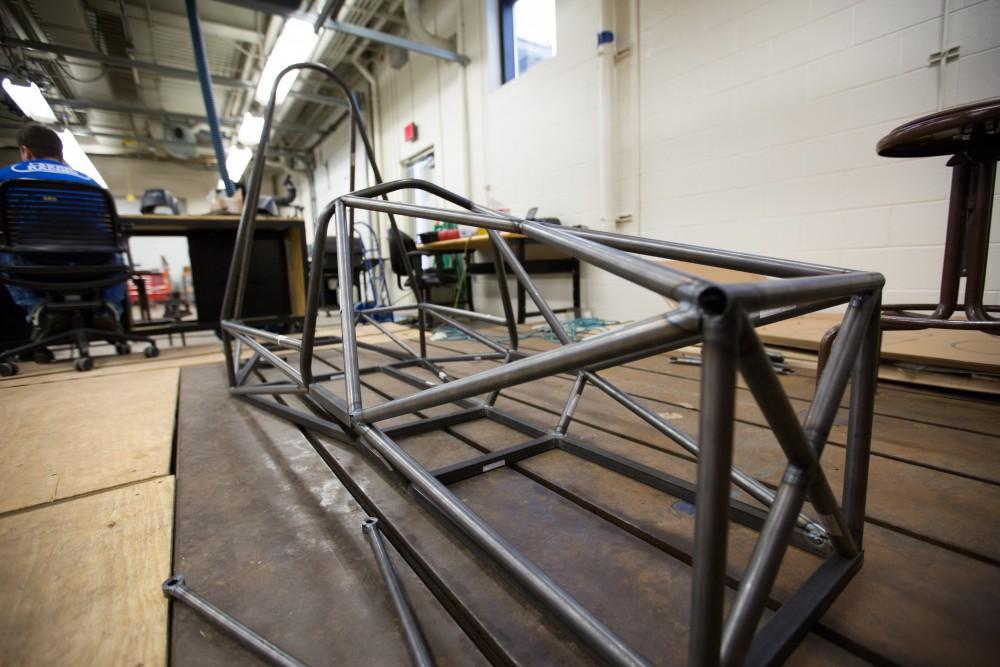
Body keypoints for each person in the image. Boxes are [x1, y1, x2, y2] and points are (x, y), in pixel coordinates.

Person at [0, 124, 125, 335]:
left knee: (3, 249)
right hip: (95, 265)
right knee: (116, 251)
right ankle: (109, 309)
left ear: (25, 151)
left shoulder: (7, 176)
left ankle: (40, 311)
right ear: (61, 154)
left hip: (36, 264)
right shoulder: (89, 181)